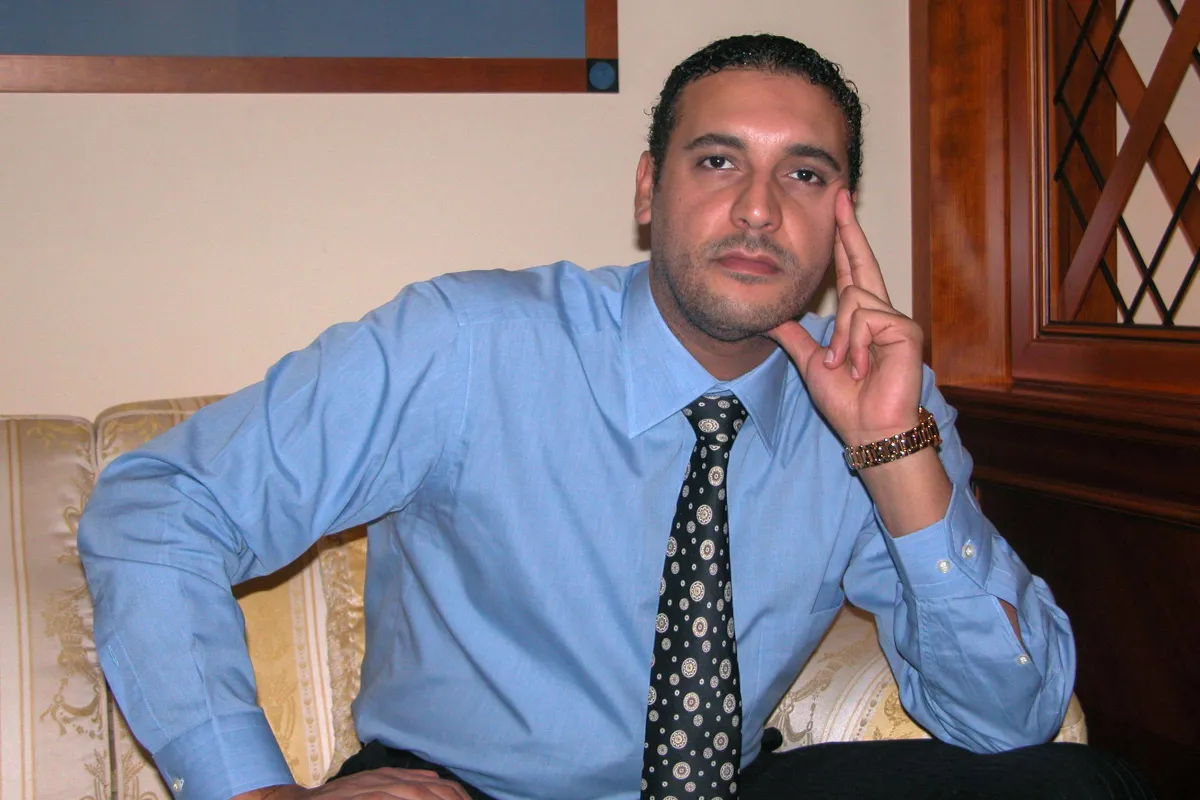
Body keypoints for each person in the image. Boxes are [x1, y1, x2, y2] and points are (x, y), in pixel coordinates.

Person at [79, 34, 1153, 800]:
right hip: (462, 788)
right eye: (718, 160)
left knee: (1082, 785)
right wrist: (250, 790)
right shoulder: (469, 344)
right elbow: (160, 506)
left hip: (726, 785)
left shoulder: (881, 398)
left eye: (803, 173)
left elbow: (1009, 719)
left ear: (840, 220)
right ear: (649, 190)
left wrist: (895, 455)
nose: (757, 209)